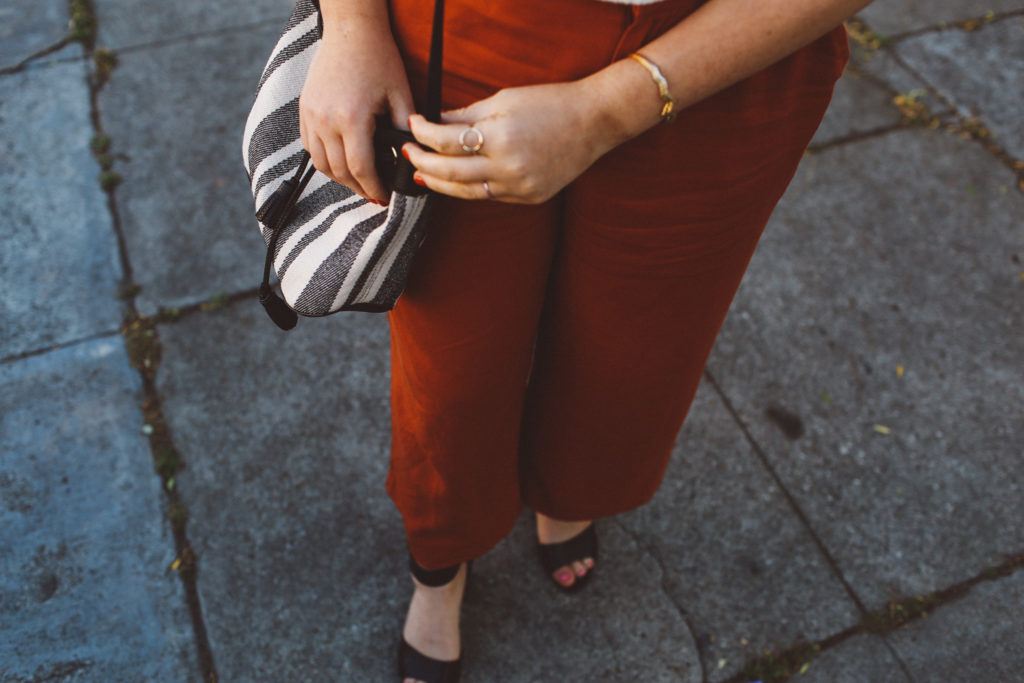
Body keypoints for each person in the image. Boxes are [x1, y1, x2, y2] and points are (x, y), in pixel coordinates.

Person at [299, 0, 867, 680]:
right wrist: (352, 28)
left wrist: (606, 111)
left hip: (723, 52)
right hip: (469, 33)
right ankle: (441, 553)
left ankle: (570, 492)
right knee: (453, 365)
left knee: (638, 346)